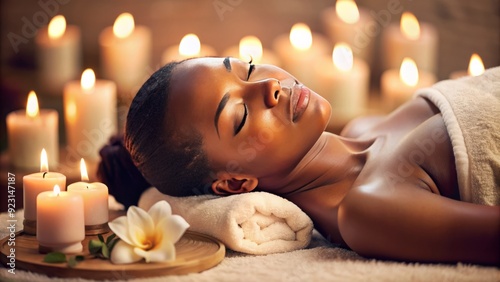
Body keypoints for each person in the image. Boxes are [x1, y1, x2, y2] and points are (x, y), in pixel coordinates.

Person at [98, 57, 500, 266]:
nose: (270, 86)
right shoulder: (367, 210)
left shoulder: (366, 124)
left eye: (248, 69)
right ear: (236, 184)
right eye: (238, 116)